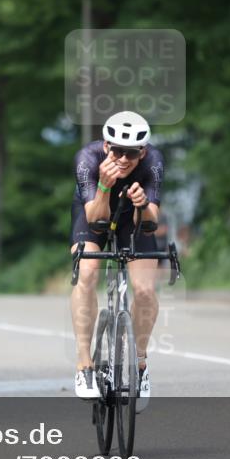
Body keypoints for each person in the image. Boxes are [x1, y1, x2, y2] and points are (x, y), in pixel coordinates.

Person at [70, 111, 163, 411]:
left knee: (146, 289)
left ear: (143, 152)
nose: (124, 159)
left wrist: (144, 205)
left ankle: (140, 365)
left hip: (133, 217)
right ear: (107, 146)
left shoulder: (153, 163)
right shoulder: (87, 158)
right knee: (87, 271)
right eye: (118, 151)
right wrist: (105, 186)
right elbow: (96, 221)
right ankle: (85, 364)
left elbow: (151, 224)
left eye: (132, 153)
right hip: (94, 210)